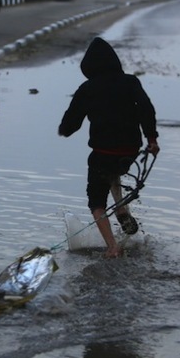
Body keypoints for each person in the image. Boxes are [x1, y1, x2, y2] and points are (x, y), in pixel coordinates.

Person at [58, 37, 160, 258]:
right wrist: (152, 139)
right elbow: (146, 109)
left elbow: (71, 122)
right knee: (113, 171)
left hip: (103, 152)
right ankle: (122, 210)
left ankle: (112, 247)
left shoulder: (87, 88)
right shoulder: (131, 82)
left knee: (96, 200)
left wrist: (64, 130)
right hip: (130, 150)